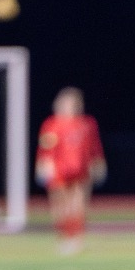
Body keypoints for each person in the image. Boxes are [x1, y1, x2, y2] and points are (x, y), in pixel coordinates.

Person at [35, 87, 106, 253]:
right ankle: (64, 236)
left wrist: (98, 163)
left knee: (78, 205)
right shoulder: (52, 124)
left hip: (80, 170)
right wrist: (43, 165)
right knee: (60, 206)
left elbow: (94, 147)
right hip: (59, 170)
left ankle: (77, 238)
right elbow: (45, 148)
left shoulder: (87, 123)